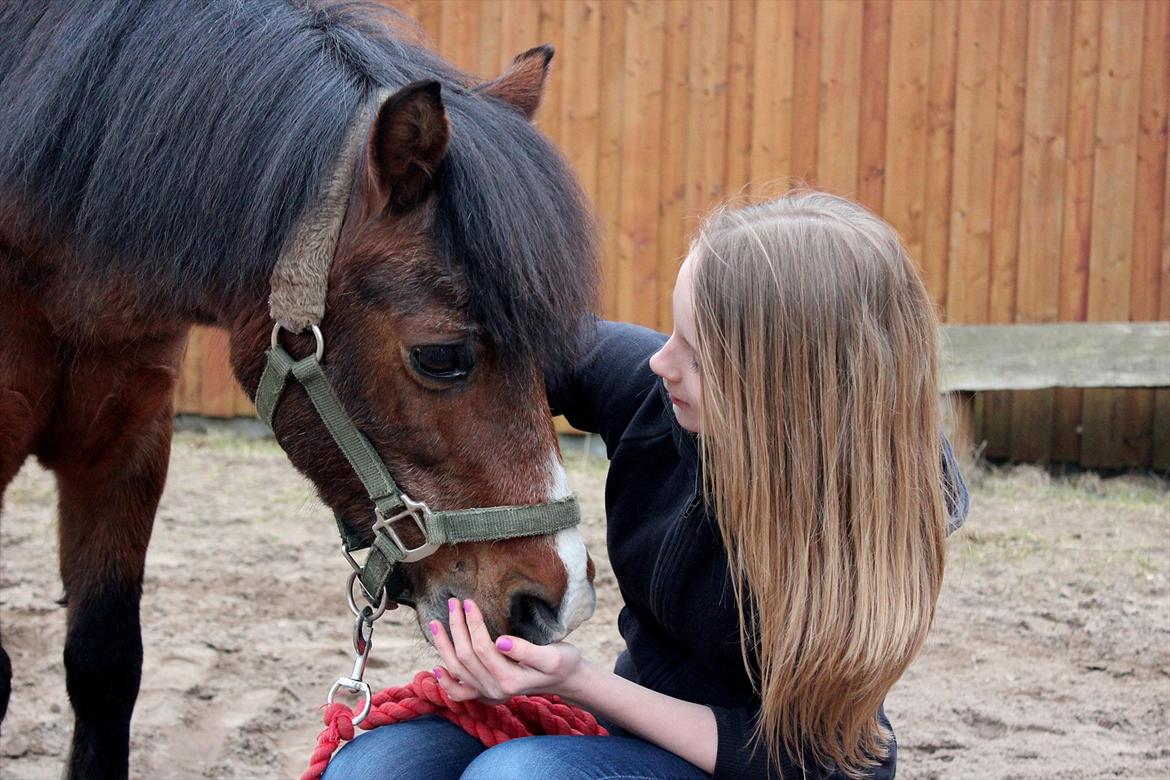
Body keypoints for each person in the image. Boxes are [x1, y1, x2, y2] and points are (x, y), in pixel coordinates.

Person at [323, 190, 968, 779]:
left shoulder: (879, 513)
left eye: (694, 351)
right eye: (671, 333)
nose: (662, 361)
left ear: (784, 386)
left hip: (770, 766)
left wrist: (574, 683)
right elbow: (497, 342)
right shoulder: (655, 396)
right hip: (629, 733)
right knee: (375, 767)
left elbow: (804, 758)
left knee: (519, 778)